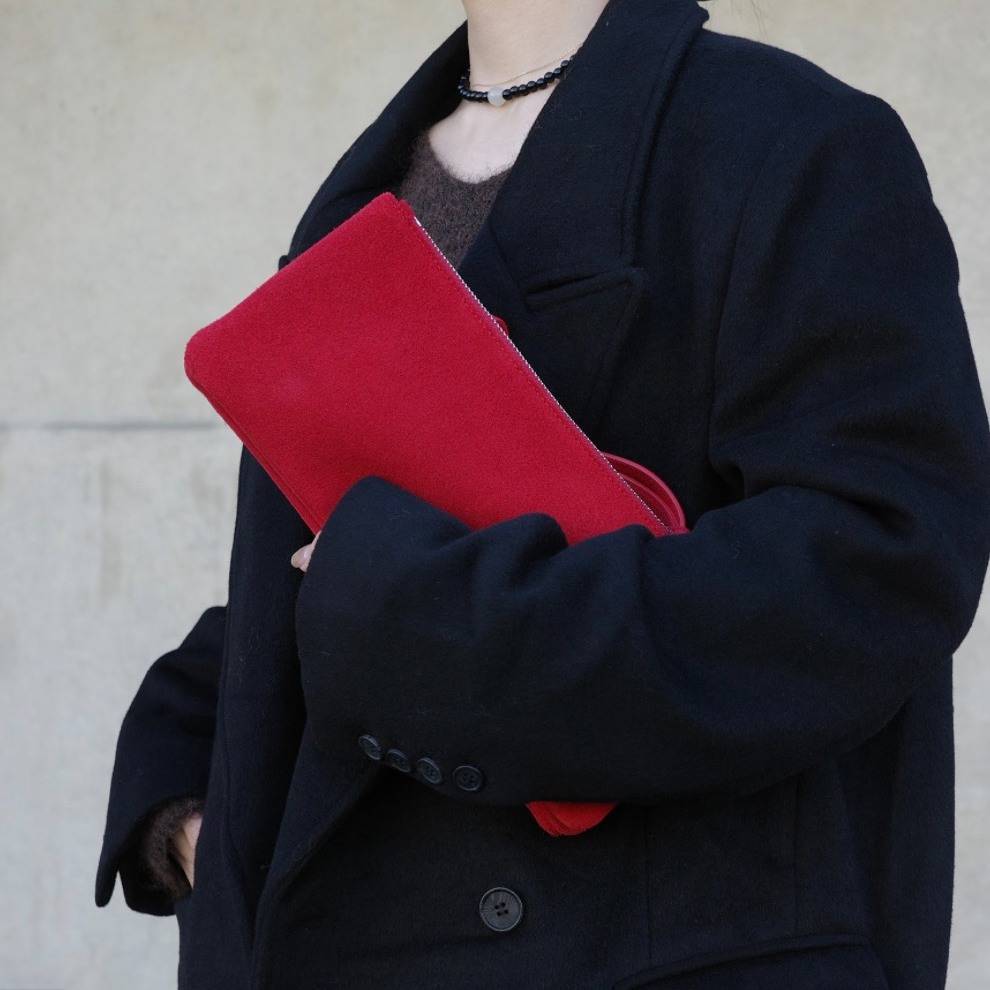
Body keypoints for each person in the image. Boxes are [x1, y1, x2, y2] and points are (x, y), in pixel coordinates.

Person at [94, 1, 990, 988]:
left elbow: (875, 569)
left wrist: (444, 615)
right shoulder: (361, 197)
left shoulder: (792, 142)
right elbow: (327, 566)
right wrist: (186, 794)